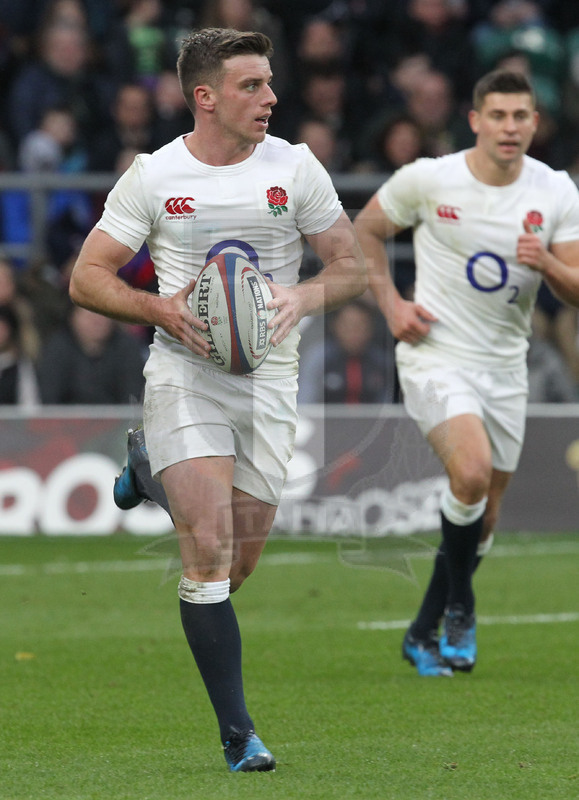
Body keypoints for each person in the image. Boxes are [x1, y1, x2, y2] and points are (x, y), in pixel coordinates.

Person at [68, 28, 366, 771]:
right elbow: (87, 277)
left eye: (268, 83)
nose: (269, 98)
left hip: (268, 379)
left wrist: (301, 296)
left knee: (236, 568)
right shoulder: (154, 174)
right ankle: (239, 736)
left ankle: (149, 475)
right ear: (204, 97)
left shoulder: (295, 167)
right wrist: (163, 310)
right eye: (251, 86)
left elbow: (352, 268)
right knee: (206, 556)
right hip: (184, 372)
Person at [354, 69, 579, 677]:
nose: (510, 127)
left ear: (535, 123)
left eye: (521, 116)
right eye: (498, 116)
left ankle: (423, 630)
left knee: (487, 507)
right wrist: (393, 306)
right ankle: (461, 605)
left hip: (505, 366)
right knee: (472, 473)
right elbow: (367, 230)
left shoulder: (555, 191)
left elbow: (578, 288)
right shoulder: (431, 178)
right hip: (436, 354)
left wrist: (549, 268)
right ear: (476, 120)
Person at [37, 304, 146, 404]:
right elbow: (49, 400)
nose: (96, 321)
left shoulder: (127, 347)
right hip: (67, 423)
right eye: (89, 314)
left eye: (103, 313)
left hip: (118, 423)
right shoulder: (57, 349)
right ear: (72, 317)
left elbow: (134, 398)